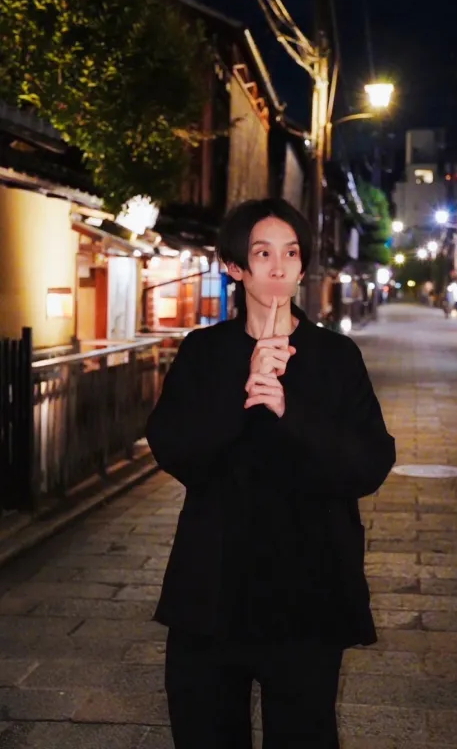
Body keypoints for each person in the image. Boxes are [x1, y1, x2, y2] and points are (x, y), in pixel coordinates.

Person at [146, 198, 396, 749]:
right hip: (211, 588)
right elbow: (173, 447)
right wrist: (244, 391)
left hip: (307, 592)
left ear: (303, 266)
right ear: (235, 267)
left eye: (291, 253)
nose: (279, 266)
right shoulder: (204, 351)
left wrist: (288, 409)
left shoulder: (336, 357)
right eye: (262, 254)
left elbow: (370, 462)